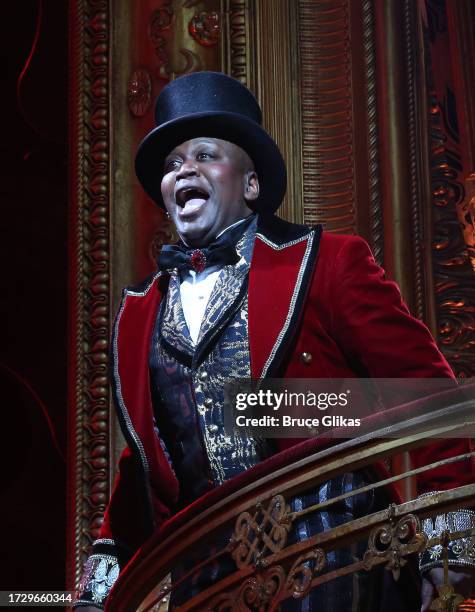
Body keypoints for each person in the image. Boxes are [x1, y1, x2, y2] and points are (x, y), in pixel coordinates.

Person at [73, 72, 474, 610]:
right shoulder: (139, 312)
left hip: (336, 555)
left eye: (204, 154)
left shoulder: (329, 262)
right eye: (172, 164)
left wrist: (448, 542)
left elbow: (425, 394)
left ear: (251, 184)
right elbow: (146, 468)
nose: (184, 170)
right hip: (207, 581)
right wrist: (96, 593)